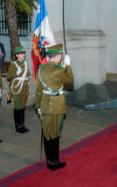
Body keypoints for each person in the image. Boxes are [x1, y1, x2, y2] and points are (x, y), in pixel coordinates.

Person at [35, 43, 74, 171]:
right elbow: (70, 81)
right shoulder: (59, 70)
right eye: (61, 55)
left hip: (45, 105)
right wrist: (68, 65)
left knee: (47, 134)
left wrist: (38, 107)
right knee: (55, 133)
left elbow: (39, 90)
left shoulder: (40, 69)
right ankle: (55, 161)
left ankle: (49, 162)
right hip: (56, 105)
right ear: (58, 56)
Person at [7, 46, 30, 133]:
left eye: (24, 53)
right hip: (17, 88)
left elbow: (27, 74)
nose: (23, 55)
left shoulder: (26, 63)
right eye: (21, 53)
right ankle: (18, 126)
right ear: (17, 55)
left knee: (23, 107)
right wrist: (17, 72)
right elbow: (9, 75)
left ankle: (22, 125)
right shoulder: (14, 64)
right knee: (17, 107)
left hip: (24, 88)